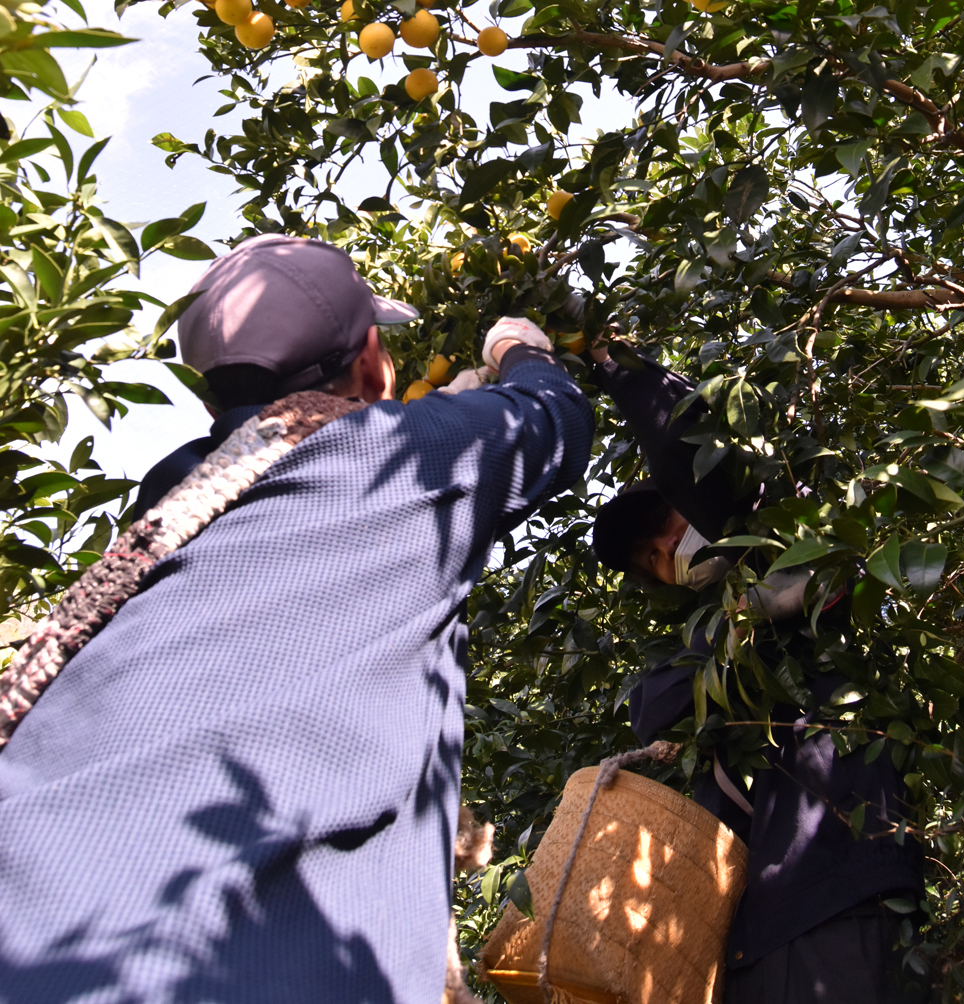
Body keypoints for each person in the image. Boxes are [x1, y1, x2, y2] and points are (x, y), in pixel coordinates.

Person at [0, 235, 593, 1004]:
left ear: (213, 402)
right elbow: (556, 418)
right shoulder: (406, 461)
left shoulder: (170, 502)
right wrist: (520, 351)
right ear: (372, 361)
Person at [589, 343, 928, 1004]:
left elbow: (687, 443)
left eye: (663, 522)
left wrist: (606, 355)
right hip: (747, 935)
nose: (666, 547)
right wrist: (742, 621)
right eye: (651, 560)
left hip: (838, 896)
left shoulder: (777, 545)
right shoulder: (705, 642)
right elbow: (651, 708)